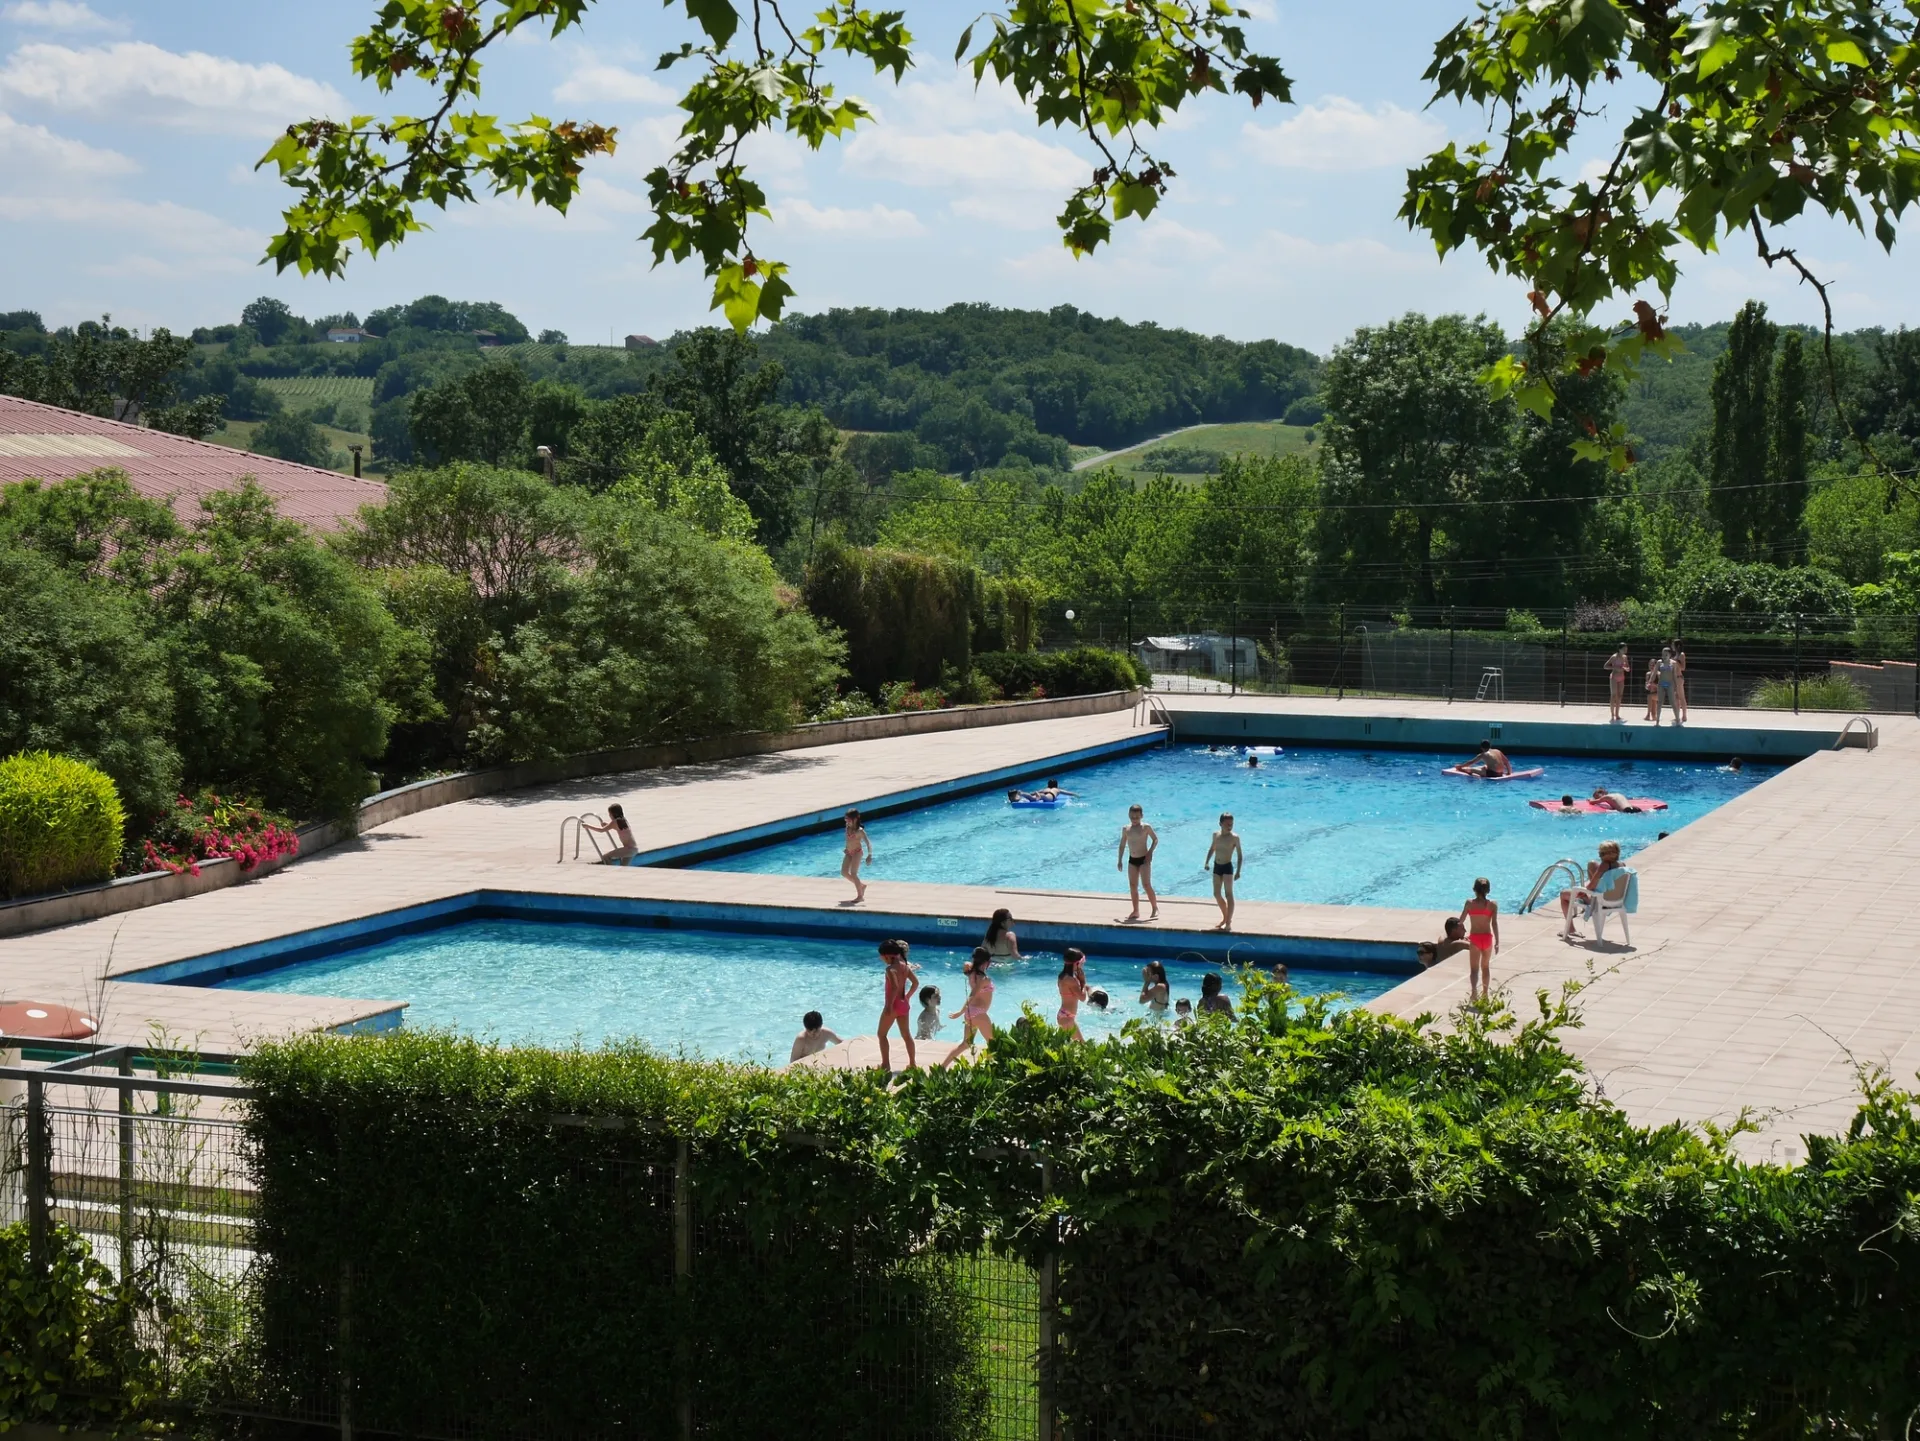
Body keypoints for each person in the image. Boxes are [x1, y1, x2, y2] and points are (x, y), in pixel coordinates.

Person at [1560, 840, 1631, 940]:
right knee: (1592, 864)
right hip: (1616, 901)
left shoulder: (1604, 866)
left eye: (1600, 853)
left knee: (1563, 894)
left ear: (1602, 854)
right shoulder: (1622, 865)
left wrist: (1581, 892)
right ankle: (1588, 900)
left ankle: (1571, 929)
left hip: (1600, 902)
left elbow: (1591, 886)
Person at [875, 939, 918, 1070]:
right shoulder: (904, 966)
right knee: (907, 1035)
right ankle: (912, 1063)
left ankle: (885, 1064)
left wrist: (888, 1005)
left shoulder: (890, 969)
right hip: (903, 1004)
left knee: (881, 1035)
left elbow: (894, 986)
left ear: (887, 955)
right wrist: (908, 997)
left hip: (893, 1006)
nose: (881, 959)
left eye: (881, 957)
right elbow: (915, 983)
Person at [1116, 804, 1160, 921]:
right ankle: (1136, 911)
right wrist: (1120, 860)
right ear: (1129, 816)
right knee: (1133, 886)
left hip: (1144, 860)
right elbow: (1122, 845)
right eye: (1132, 817)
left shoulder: (1146, 827)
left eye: (1136, 817)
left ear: (1141, 816)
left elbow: (1155, 839)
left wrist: (1150, 852)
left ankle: (1154, 907)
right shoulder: (1126, 829)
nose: (1134, 819)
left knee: (1146, 885)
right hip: (1132, 860)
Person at [1459, 877, 1499, 1002]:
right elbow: (1494, 924)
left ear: (1474, 889)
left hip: (1475, 938)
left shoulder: (1469, 903)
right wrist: (1497, 941)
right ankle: (1485, 995)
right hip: (1487, 938)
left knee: (1474, 969)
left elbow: (1461, 921)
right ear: (1488, 890)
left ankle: (1474, 993)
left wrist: (1462, 933)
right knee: (1485, 967)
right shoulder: (1492, 904)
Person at [949, 947, 996, 1051]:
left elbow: (966, 966)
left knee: (965, 1044)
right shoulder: (984, 979)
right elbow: (972, 995)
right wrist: (960, 1012)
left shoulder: (972, 974)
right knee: (993, 1044)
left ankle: (943, 1065)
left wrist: (963, 1012)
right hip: (978, 1012)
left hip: (971, 1012)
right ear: (987, 962)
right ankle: (994, 1066)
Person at [1204, 813, 1244, 931]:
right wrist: (1206, 862)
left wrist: (1238, 871)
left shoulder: (1235, 838)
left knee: (1229, 894)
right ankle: (1225, 917)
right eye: (1227, 824)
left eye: (1231, 824)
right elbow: (1212, 849)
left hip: (1227, 867)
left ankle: (1228, 922)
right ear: (1220, 824)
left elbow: (1240, 856)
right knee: (1216, 894)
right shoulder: (1216, 835)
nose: (1229, 826)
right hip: (1217, 866)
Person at [1056, 947, 1090, 1039]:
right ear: (1077, 963)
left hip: (1064, 1015)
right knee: (1083, 1045)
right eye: (1082, 963)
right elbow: (1082, 998)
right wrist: (1083, 981)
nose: (1083, 965)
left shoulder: (1062, 976)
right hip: (1067, 1018)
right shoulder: (1071, 980)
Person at [841, 808, 873, 904]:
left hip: (857, 852)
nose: (847, 822)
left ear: (855, 819)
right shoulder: (847, 827)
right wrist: (846, 847)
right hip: (849, 852)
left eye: (849, 820)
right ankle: (861, 886)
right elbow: (848, 839)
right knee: (844, 872)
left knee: (853, 873)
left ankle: (860, 896)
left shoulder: (860, 831)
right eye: (845, 819)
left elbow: (868, 844)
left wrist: (869, 855)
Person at [1603, 643, 1630, 723]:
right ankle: (1612, 714)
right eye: (1624, 649)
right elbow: (1605, 666)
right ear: (1619, 649)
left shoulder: (1625, 657)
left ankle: (1617, 714)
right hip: (1614, 677)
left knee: (1620, 695)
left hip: (1621, 677)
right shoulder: (1614, 657)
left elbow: (1628, 667)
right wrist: (1615, 667)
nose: (1626, 650)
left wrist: (1626, 668)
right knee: (1613, 695)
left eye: (1626, 649)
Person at [1656, 646, 1678, 723]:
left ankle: (1678, 720)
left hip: (1670, 684)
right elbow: (1654, 673)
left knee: (1673, 702)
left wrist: (1676, 686)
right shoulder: (1659, 662)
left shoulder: (1673, 663)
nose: (1664, 656)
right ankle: (1657, 721)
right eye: (1663, 654)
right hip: (1661, 684)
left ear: (1670, 655)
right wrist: (1649, 681)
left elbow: (1674, 675)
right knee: (1660, 702)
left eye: (1666, 655)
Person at [1669, 639, 1689, 721]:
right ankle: (1677, 715)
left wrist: (1676, 662)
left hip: (1679, 678)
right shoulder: (1675, 655)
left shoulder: (1681, 655)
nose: (1671, 646)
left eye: (1673, 645)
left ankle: (1684, 715)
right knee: (1676, 698)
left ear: (1677, 646)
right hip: (1673, 679)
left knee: (1681, 697)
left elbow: (1683, 668)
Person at [1644, 656, 1662, 723]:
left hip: (1658, 694)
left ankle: (1648, 714)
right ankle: (1652, 715)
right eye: (1650, 665)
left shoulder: (1659, 674)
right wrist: (1647, 686)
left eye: (1653, 665)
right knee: (1654, 716)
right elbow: (1646, 685)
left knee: (1649, 697)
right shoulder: (1648, 674)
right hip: (1651, 693)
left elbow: (1661, 687)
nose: (1651, 666)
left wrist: (1654, 685)